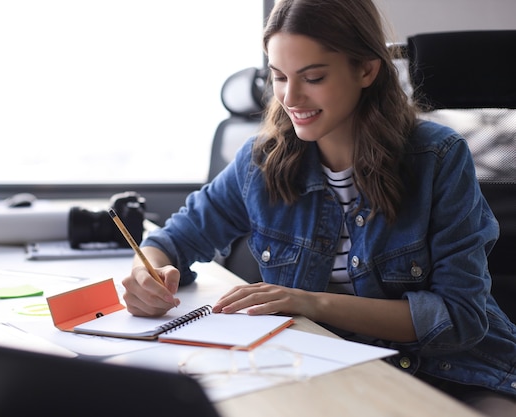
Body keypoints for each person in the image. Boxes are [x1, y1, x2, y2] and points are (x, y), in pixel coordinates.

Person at [122, 0, 516, 414]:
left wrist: (307, 301)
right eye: (278, 77)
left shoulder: (437, 158)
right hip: (330, 372)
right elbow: (175, 238)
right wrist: (146, 276)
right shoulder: (262, 161)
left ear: (366, 69)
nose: (290, 97)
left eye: (313, 77)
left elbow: (460, 317)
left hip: (455, 374)